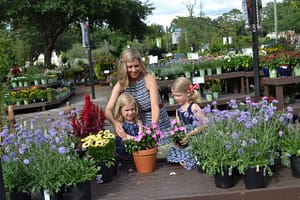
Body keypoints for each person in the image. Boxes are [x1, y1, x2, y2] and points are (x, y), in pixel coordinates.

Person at [105, 47, 171, 157]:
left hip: (157, 119)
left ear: (140, 64)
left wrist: (153, 129)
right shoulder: (121, 84)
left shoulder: (148, 78)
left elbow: (155, 107)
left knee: (161, 153)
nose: (134, 70)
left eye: (136, 66)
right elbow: (108, 110)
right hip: (139, 123)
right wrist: (115, 124)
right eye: (130, 67)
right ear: (124, 67)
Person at [166, 77, 206, 170]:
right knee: (173, 152)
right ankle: (184, 158)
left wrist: (189, 135)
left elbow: (204, 125)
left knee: (191, 153)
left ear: (188, 93)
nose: (175, 98)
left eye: (178, 95)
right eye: (174, 95)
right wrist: (177, 138)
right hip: (185, 139)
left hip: (196, 138)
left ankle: (191, 160)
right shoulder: (178, 110)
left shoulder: (193, 107)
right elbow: (179, 127)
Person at [114, 93, 143, 160]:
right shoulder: (120, 124)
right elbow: (124, 137)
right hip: (124, 152)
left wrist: (139, 140)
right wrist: (135, 139)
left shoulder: (138, 123)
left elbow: (141, 136)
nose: (130, 113)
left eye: (132, 109)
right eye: (127, 110)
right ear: (120, 111)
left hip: (137, 149)